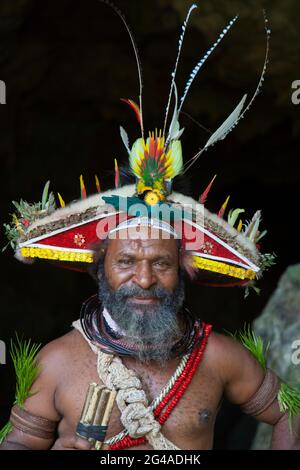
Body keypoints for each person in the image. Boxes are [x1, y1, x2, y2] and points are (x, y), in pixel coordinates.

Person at [1, 3, 299, 451]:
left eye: (161, 262)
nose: (144, 279)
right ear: (99, 266)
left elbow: (290, 411)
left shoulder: (217, 357)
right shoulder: (58, 362)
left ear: (184, 267)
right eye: (126, 261)